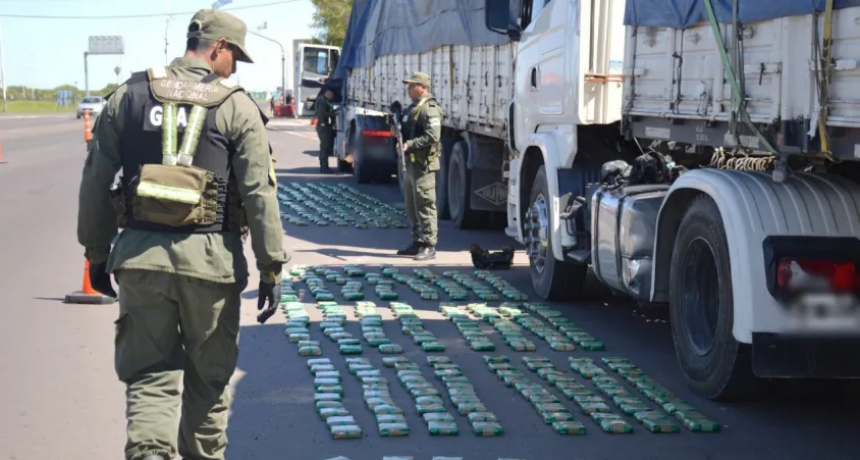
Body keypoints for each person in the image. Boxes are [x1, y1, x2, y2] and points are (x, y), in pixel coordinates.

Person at [76, 8, 289, 460]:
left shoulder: (129, 95)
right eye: (235, 56)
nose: (235, 67)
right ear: (218, 48)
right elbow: (259, 193)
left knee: (150, 379)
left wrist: (96, 253)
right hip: (211, 266)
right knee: (208, 383)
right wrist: (271, 267)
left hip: (140, 261)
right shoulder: (236, 106)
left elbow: (95, 180)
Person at [395, 71, 444, 261]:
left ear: (422, 87)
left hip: (423, 165)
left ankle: (429, 245)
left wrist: (410, 144)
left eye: (412, 85)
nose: (408, 88)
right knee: (412, 206)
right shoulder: (411, 108)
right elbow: (407, 130)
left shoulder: (430, 108)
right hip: (411, 164)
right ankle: (417, 242)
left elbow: (433, 136)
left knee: (425, 205)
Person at [314, 87, 336, 174]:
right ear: (328, 93)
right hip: (323, 127)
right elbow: (322, 114)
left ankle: (324, 166)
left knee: (326, 147)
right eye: (332, 95)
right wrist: (334, 114)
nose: (332, 97)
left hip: (326, 126)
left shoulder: (325, 101)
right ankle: (324, 167)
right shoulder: (322, 101)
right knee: (324, 147)